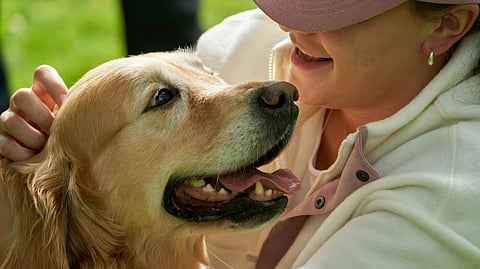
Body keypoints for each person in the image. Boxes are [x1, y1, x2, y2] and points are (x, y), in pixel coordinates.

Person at [1, 0, 480, 268]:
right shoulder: (249, 46)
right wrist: (41, 153)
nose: (290, 22)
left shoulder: (450, 194)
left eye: (331, 8)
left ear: (447, 25)